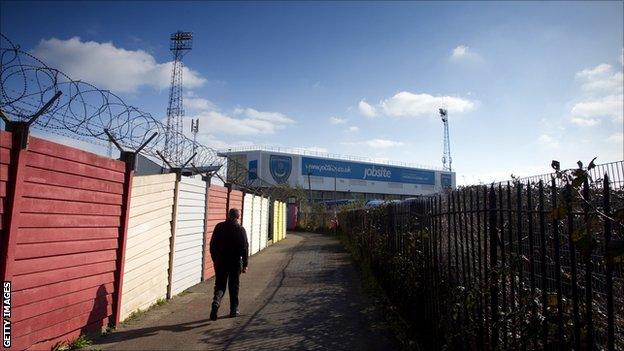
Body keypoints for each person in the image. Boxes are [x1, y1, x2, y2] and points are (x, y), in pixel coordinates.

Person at [209, 208, 249, 320]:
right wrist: (245, 264)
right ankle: (233, 310)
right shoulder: (240, 229)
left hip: (221, 261)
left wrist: (215, 259)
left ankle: (216, 302)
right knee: (234, 286)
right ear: (238, 217)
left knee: (220, 285)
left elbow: (212, 245)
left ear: (228, 215)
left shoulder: (219, 227)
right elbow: (245, 248)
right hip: (235, 262)